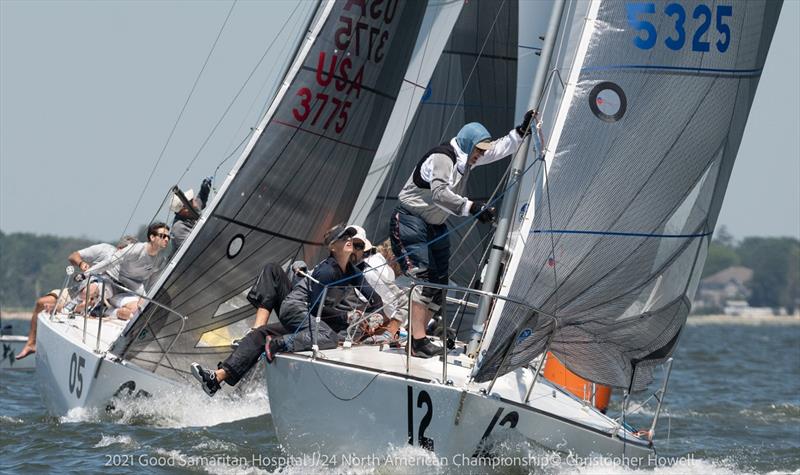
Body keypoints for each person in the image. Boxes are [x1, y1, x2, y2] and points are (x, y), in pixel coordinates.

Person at [389, 111, 533, 357]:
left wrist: (519, 133)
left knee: (439, 283)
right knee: (423, 278)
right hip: (410, 219)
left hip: (434, 225)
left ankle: (419, 337)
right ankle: (417, 341)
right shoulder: (443, 158)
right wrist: (473, 208)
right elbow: (439, 194)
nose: (481, 155)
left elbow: (497, 150)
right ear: (468, 144)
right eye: (478, 150)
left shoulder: (467, 157)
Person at [190, 224, 383, 396]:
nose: (349, 241)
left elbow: (376, 301)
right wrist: (348, 316)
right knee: (329, 337)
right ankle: (277, 344)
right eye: (344, 238)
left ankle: (215, 378)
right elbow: (315, 309)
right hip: (298, 310)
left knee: (260, 334)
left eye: (351, 238)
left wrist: (372, 318)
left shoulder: (351, 271)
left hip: (308, 315)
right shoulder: (326, 271)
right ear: (332, 247)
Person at [14, 236, 138, 360]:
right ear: (119, 248)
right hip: (78, 291)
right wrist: (81, 264)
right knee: (41, 303)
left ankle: (64, 309)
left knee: (95, 291)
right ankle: (31, 344)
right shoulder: (104, 249)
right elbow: (73, 256)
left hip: (105, 298)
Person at [85, 222, 170, 320]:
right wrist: (87, 274)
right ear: (152, 237)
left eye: (168, 237)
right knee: (89, 291)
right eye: (163, 236)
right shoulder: (136, 249)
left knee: (137, 310)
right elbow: (111, 261)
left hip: (128, 291)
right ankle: (81, 304)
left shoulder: (160, 261)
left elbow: (153, 284)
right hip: (111, 283)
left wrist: (146, 299)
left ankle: (103, 311)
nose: (166, 239)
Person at [348, 227, 407, 342]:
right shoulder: (381, 270)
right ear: (394, 258)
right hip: (351, 329)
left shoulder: (371, 263)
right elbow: (397, 306)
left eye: (358, 247)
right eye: (405, 262)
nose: (406, 270)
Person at [170, 177, 212, 252]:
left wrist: (204, 188)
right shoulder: (178, 228)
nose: (195, 203)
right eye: (191, 201)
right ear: (184, 210)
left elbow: (201, 198)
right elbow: (194, 249)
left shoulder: (192, 210)